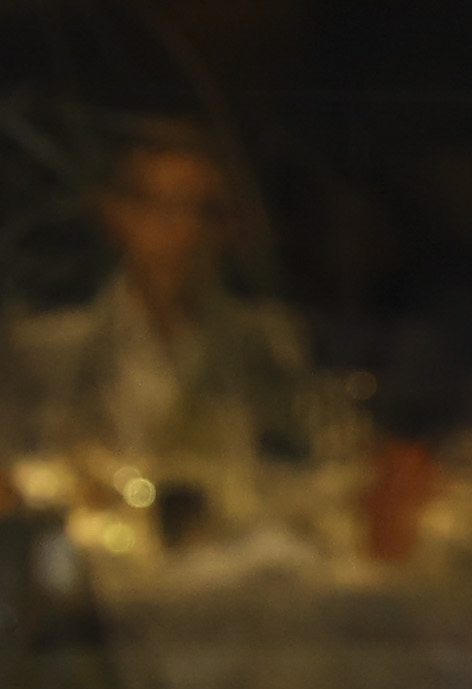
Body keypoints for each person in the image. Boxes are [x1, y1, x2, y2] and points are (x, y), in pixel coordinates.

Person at [16, 116, 327, 480]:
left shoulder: (270, 341)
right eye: (162, 207)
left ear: (230, 226)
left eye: (205, 211)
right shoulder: (51, 346)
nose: (186, 230)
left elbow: (308, 470)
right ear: (117, 214)